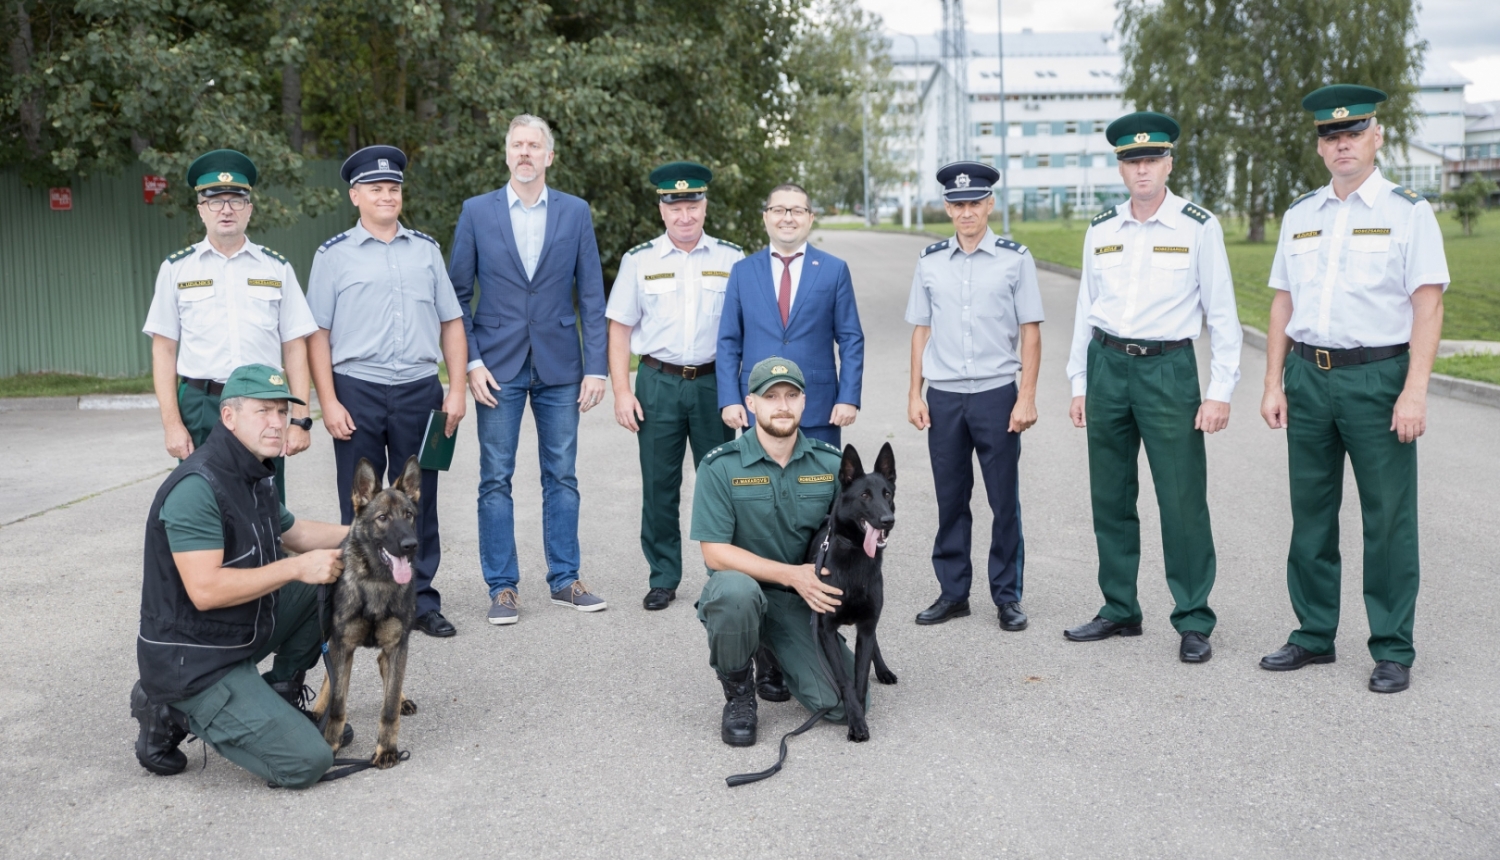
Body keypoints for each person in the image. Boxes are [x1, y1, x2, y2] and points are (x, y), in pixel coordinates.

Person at [1258, 85, 1448, 694]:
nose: (1342, 144)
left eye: (1353, 133)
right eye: (1331, 136)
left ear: (1377, 137)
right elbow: (1283, 301)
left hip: (1378, 378)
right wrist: (1273, 382)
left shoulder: (1407, 211)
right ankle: (1314, 634)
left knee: (1387, 519)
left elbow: (1429, 305)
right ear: (1320, 147)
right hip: (1308, 377)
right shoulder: (1301, 215)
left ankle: (1393, 648)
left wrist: (1414, 391)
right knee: (1310, 515)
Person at [1061, 112, 1242, 664]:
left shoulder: (1197, 226)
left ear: (1169, 162)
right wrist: (1079, 380)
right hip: (1108, 364)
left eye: (1152, 159)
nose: (1142, 169)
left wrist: (1220, 391)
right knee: (1110, 497)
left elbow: (1224, 315)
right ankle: (1119, 607)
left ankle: (1193, 618)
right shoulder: (1101, 228)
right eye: (1132, 161)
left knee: (1181, 499)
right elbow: (1085, 310)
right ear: (1121, 168)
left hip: (1169, 370)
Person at [131, 364, 349, 788]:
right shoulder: (198, 487)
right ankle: (167, 708)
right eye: (263, 411)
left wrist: (372, 533)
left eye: (282, 412)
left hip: (235, 630)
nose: (276, 422)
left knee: (332, 578)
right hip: (195, 660)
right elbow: (206, 590)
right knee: (308, 762)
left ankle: (280, 695)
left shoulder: (255, 470)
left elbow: (295, 532)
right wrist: (296, 567)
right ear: (228, 417)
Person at [449, 114, 610, 625]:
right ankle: (502, 588)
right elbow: (455, 295)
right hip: (496, 367)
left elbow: (590, 293)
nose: (525, 153)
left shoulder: (575, 212)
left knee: (562, 475)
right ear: (506, 154)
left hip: (561, 365)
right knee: (495, 478)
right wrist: (471, 361)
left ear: (549, 156)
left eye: (533, 146)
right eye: (517, 145)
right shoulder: (477, 212)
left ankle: (565, 578)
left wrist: (597, 367)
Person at [306, 144, 469, 640]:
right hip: (357, 389)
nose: (386, 195)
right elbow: (317, 335)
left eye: (393, 188)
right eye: (376, 188)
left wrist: (456, 389)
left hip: (419, 390)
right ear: (355, 195)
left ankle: (419, 601)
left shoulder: (425, 250)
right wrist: (328, 401)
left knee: (419, 501)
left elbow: (451, 322)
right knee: (359, 503)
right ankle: (358, 598)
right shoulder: (332, 256)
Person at [905, 161, 1044, 632]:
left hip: (995, 395)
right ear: (947, 208)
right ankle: (953, 592)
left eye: (975, 204)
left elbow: (1030, 332)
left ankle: (1007, 596)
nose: (967, 213)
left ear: (990, 204)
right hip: (944, 397)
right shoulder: (929, 261)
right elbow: (921, 331)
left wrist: (1026, 396)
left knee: (1003, 500)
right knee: (950, 498)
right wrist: (914, 393)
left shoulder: (1015, 258)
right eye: (957, 205)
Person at [692, 357, 853, 746]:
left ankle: (772, 650)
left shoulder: (829, 464)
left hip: (800, 600)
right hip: (744, 592)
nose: (782, 405)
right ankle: (739, 693)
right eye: (771, 396)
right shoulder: (720, 467)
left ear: (803, 402)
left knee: (844, 704)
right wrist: (791, 574)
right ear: (751, 404)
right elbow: (714, 553)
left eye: (791, 395)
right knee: (734, 594)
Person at [142, 149, 317, 503]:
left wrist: (300, 419)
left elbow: (295, 345)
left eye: (236, 200)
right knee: (202, 498)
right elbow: (164, 350)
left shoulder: (276, 268)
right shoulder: (177, 270)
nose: (226, 209)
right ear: (200, 209)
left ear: (249, 209)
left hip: (265, 403)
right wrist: (172, 423)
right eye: (214, 200)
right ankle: (205, 561)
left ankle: (269, 558)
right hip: (201, 404)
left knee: (267, 500)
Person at [606, 161, 743, 611]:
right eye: (676, 207)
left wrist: (740, 393)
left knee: (719, 482)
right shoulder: (639, 260)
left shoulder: (731, 258)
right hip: (658, 382)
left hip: (713, 384)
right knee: (659, 485)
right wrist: (623, 392)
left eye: (693, 205)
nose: (685, 215)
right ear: (662, 210)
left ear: (705, 206)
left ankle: (721, 572)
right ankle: (663, 575)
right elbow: (620, 329)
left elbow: (745, 328)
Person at [716, 183, 864, 447]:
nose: (787, 218)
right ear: (765, 216)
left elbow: (851, 339)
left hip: (819, 407)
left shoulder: (834, 270)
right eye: (778, 210)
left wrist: (848, 397)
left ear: (810, 218)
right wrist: (729, 399)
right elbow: (728, 342)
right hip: (757, 406)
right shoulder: (742, 272)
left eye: (797, 210)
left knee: (819, 486)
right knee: (760, 486)